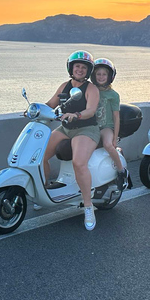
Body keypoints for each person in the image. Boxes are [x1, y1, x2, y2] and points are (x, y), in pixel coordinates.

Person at [41, 50, 101, 231]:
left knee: (79, 162)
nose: (80, 70)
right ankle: (43, 190)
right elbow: (51, 104)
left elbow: (91, 110)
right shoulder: (64, 86)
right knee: (41, 155)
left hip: (87, 128)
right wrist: (34, 109)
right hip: (66, 128)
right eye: (77, 66)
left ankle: (88, 206)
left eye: (83, 67)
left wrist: (76, 115)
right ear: (71, 68)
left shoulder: (91, 89)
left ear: (88, 70)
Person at [91, 57, 128, 190]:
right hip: (92, 126)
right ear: (94, 75)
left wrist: (115, 138)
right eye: (98, 74)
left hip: (106, 126)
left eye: (104, 74)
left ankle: (121, 170)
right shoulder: (91, 90)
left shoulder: (113, 95)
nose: (101, 77)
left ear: (110, 76)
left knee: (107, 144)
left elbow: (116, 117)